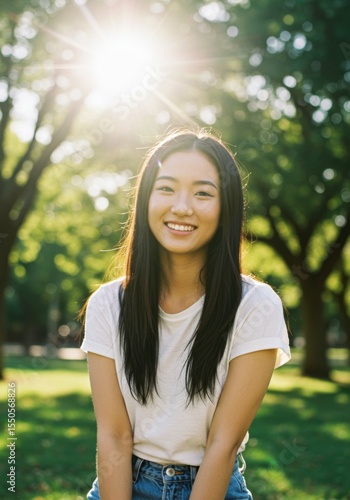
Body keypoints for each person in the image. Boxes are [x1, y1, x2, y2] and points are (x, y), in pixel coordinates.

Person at [80, 129, 291, 500]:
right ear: (145, 199)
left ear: (226, 207)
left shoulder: (256, 306)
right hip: (122, 483)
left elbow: (222, 444)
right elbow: (114, 435)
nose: (182, 207)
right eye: (166, 188)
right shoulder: (107, 304)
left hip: (213, 484)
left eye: (203, 193)